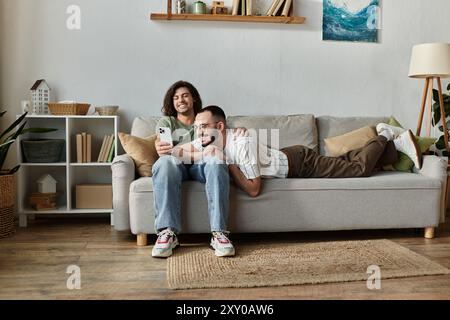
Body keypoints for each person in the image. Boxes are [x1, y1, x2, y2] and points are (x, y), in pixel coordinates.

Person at [184, 105, 422, 198]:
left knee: (356, 169)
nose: (199, 133)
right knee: (343, 162)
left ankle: (385, 134)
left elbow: (254, 189)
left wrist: (228, 165)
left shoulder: (240, 144)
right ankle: (394, 149)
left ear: (220, 127)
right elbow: (182, 151)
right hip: (290, 156)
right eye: (196, 128)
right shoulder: (210, 142)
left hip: (300, 163)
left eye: (202, 127)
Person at [152, 81, 241, 258]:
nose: (180, 100)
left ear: (193, 98)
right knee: (165, 163)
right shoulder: (166, 122)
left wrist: (240, 129)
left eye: (185, 95)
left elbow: (223, 134)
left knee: (216, 160)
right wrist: (161, 147)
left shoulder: (204, 118)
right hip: (176, 167)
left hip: (202, 166)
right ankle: (167, 233)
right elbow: (165, 150)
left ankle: (219, 233)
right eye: (176, 97)